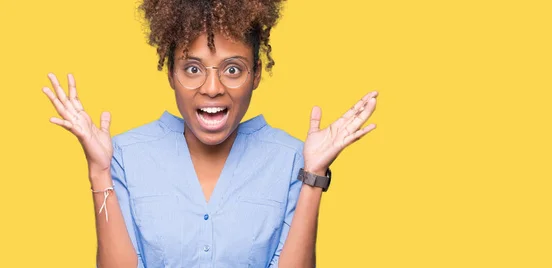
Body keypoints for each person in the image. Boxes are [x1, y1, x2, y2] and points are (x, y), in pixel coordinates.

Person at [42, 0, 378, 267]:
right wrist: (100, 171)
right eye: (192, 68)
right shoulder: (125, 155)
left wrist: (314, 174)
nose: (212, 88)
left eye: (233, 69)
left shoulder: (293, 158)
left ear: (256, 73)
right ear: (170, 72)